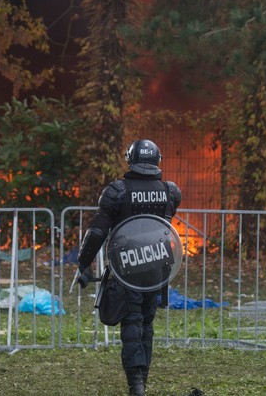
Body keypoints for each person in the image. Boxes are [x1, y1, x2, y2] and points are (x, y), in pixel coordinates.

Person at [74, 139, 182, 396]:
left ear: (130, 160)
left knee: (132, 321)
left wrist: (83, 262)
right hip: (157, 265)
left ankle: (136, 384)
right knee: (147, 322)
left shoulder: (117, 191)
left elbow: (97, 231)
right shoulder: (170, 191)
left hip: (127, 266)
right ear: (158, 160)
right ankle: (141, 379)